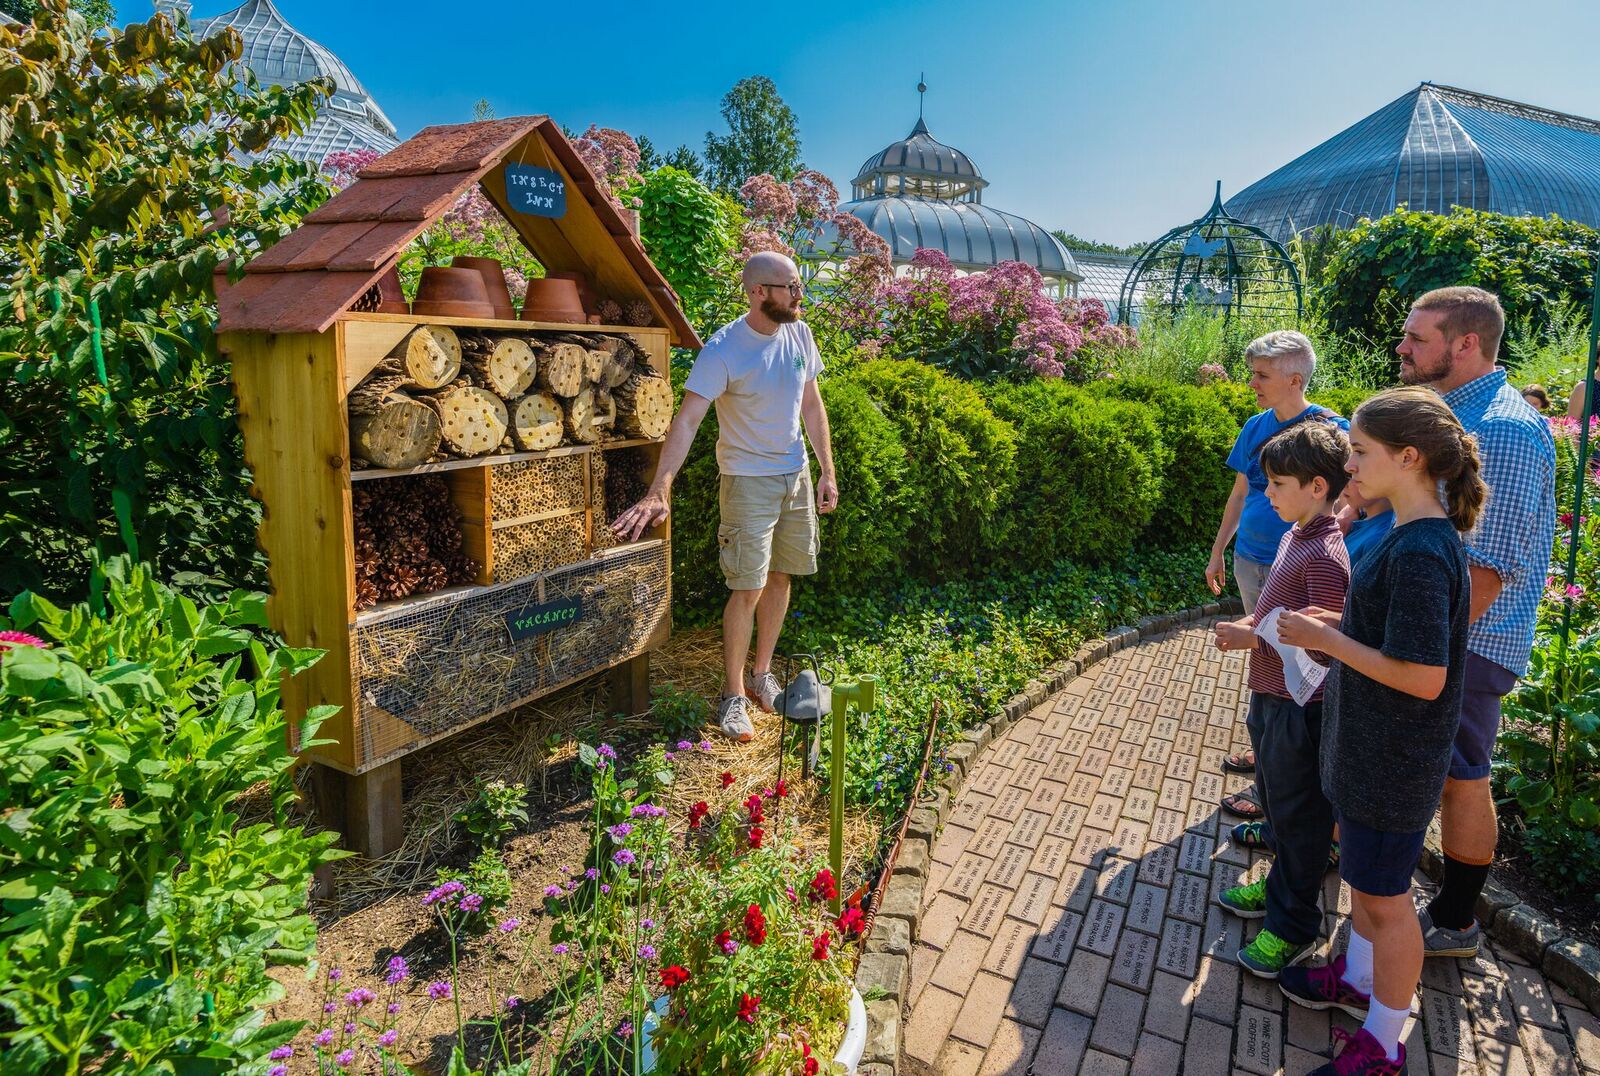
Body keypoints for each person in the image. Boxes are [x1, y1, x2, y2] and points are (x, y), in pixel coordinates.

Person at [1275, 387, 1486, 1075]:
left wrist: (1326, 642)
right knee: (1367, 887)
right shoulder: (1410, 533)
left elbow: (1423, 676)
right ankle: (1358, 981)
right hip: (1369, 750)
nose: (1351, 466)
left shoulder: (1422, 551)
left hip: (1390, 761)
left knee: (1387, 903)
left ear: (1408, 456)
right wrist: (1337, 629)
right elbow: (1390, 637)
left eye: (1360, 452)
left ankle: (1386, 1041)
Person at [611, 252, 838, 742]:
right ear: (758, 292)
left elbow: (811, 403)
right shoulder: (724, 349)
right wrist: (659, 490)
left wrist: (826, 470)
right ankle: (734, 695)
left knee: (780, 578)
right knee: (747, 588)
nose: (800, 296)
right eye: (789, 288)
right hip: (747, 482)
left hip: (795, 477)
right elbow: (688, 419)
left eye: (798, 286)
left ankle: (762, 676)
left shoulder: (799, 333)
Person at [1395, 287, 1555, 958]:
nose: (1401, 348)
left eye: (1417, 338)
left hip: (1465, 645)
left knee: (1463, 776)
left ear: (1464, 345)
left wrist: (1413, 659)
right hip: (1437, 641)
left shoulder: (1502, 431)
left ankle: (1456, 920)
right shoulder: (1457, 416)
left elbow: (1484, 572)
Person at [1210, 421, 1351, 979]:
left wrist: (1255, 635)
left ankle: (1293, 927)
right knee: (1274, 800)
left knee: (1300, 819)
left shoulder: (1325, 554)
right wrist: (1249, 622)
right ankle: (1275, 891)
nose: (1266, 494)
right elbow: (1277, 606)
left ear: (1317, 486)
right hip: (1269, 695)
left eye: (1277, 483)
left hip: (1301, 706)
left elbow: (1325, 642)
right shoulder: (1298, 533)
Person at [1206, 331, 1349, 814]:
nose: (1251, 383)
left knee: (1301, 666)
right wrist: (1219, 550)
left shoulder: (1330, 431)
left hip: (1302, 564)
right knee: (1265, 657)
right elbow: (1240, 493)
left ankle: (1285, 775)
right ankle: (1266, 748)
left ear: (1294, 379)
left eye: (1261, 375)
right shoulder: (1254, 426)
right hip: (1253, 558)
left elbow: (1351, 501)